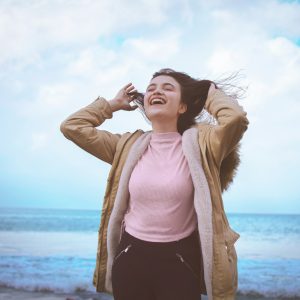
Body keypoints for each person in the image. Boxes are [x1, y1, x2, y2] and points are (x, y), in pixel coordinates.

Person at [60, 68, 249, 300]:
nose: (156, 91)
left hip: (180, 261)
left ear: (182, 106)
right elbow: (72, 127)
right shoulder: (127, 146)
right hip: (130, 258)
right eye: (151, 88)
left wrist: (210, 93)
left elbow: (236, 119)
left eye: (167, 88)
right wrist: (112, 104)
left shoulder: (203, 146)